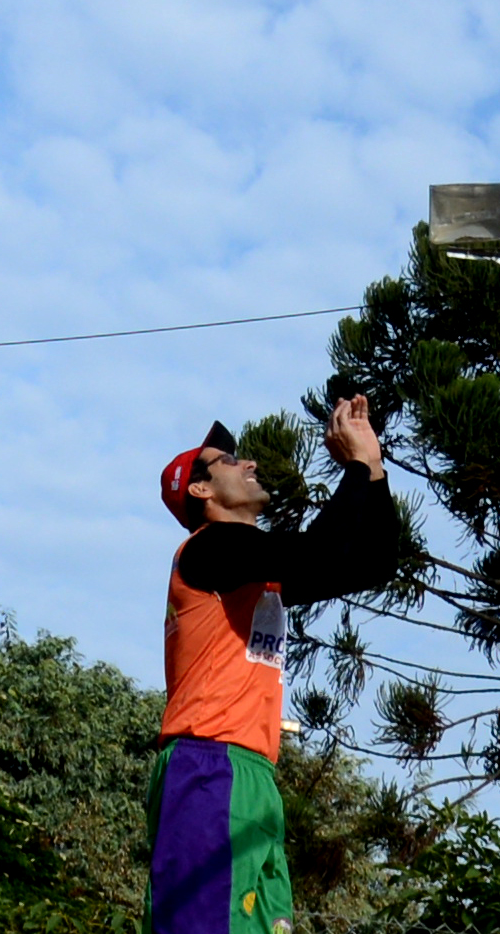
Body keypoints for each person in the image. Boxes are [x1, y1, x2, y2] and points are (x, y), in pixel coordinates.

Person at [148, 395, 398, 934]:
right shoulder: (208, 550)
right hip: (208, 768)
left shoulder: (253, 574)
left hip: (248, 772)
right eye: (229, 461)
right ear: (201, 490)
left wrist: (373, 466)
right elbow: (320, 551)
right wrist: (353, 466)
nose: (249, 463)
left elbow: (374, 562)